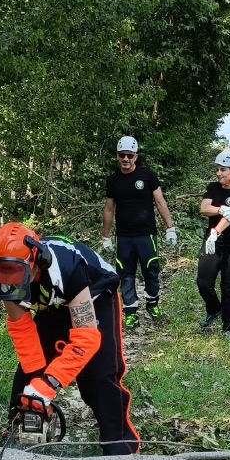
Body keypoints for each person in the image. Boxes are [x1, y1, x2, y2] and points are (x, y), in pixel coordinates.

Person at [0, 222, 140, 455]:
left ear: (37, 260)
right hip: (52, 305)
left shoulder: (68, 268)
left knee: (99, 376)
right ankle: (20, 442)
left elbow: (87, 337)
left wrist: (51, 382)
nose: (11, 281)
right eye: (4, 272)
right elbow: (21, 327)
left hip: (94, 297)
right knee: (27, 379)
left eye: (17, 273)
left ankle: (120, 449)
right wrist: (37, 382)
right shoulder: (2, 273)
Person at [101, 135, 177, 330]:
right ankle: (130, 312)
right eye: (122, 155)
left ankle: (153, 305)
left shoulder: (147, 175)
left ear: (136, 156)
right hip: (124, 237)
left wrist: (170, 228)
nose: (125, 159)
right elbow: (109, 209)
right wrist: (106, 236)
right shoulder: (113, 180)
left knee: (151, 270)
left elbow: (160, 202)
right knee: (125, 274)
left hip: (146, 235)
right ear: (117, 156)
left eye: (129, 155)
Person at [196, 148, 230, 340]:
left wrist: (215, 232)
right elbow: (204, 208)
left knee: (228, 285)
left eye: (223, 170)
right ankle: (214, 309)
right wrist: (221, 209)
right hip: (213, 244)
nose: (218, 173)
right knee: (203, 283)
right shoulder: (213, 187)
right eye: (217, 169)